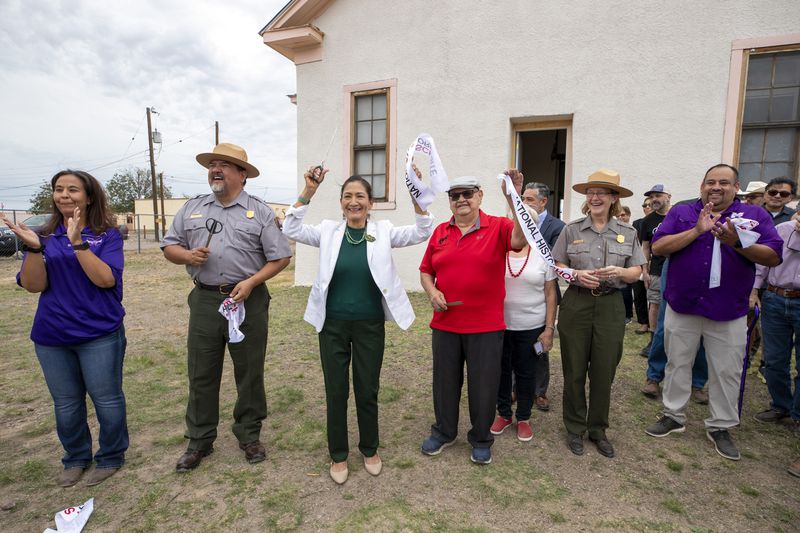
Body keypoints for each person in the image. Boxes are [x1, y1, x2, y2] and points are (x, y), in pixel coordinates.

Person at [282, 166, 433, 484]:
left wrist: (416, 193)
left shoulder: (385, 231)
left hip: (369, 326)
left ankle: (369, 449)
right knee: (336, 391)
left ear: (370, 203)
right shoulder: (327, 231)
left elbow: (421, 231)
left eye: (360, 196)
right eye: (348, 196)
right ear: (341, 203)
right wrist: (308, 190)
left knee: (367, 390)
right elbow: (291, 229)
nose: (354, 201)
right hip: (332, 325)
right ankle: (338, 455)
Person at [162, 143, 292, 471]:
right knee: (201, 371)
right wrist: (187, 256)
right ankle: (199, 440)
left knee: (249, 371)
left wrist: (251, 282)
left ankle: (249, 435)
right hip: (206, 299)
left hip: (247, 299)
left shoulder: (259, 211)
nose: (215, 170)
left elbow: (280, 257)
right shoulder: (192, 208)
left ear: (242, 174)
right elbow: (169, 246)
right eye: (212, 165)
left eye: (224, 165)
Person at [645, 164, 782, 461]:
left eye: (723, 182)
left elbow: (773, 256)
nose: (716, 187)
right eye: (710, 182)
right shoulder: (682, 212)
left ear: (736, 187)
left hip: (728, 308)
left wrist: (736, 242)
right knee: (677, 362)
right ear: (702, 186)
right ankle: (673, 415)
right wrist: (696, 231)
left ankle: (720, 426)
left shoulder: (754, 216)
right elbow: (659, 246)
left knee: (726, 370)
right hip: (684, 305)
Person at [2, 170, 128, 487]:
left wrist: (77, 244)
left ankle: (111, 456)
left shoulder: (107, 234)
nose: (64, 195)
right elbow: (34, 285)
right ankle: (75, 458)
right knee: (67, 403)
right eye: (59, 189)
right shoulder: (44, 235)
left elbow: (106, 279)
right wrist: (33, 249)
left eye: (73, 189)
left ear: (88, 196)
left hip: (99, 333)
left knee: (107, 399)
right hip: (52, 336)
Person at [419, 172, 525, 465]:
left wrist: (513, 198)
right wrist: (431, 291)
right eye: (455, 196)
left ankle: (480, 438)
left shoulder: (499, 226)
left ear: (479, 196)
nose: (461, 200)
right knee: (444, 383)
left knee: (483, 385)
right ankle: (444, 432)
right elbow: (426, 269)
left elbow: (520, 239)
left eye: (467, 194)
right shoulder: (440, 231)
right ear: (450, 202)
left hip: (485, 326)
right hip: (446, 324)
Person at [552, 169, 645, 458]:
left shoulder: (628, 232)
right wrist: (576, 274)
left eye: (601, 192)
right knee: (574, 368)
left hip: (611, 305)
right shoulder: (572, 230)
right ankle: (575, 427)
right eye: (591, 192)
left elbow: (637, 272)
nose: (595, 197)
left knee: (604, 370)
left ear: (614, 198)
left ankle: (597, 429)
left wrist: (621, 271)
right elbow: (557, 265)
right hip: (577, 304)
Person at [491, 205, 557, 440]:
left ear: (535, 225)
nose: (522, 225)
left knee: (527, 373)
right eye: (517, 220)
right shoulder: (499, 251)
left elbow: (551, 294)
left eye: (527, 220)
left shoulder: (543, 255)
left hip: (531, 327)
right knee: (501, 372)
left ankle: (524, 417)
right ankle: (504, 414)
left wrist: (549, 329)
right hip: (500, 325)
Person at [752, 217, 800, 432]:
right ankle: (781, 405)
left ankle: (797, 414)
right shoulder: (782, 229)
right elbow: (762, 263)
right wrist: (753, 291)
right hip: (775, 298)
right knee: (774, 359)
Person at [520, 181, 564, 410]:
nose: (524, 203)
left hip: (544, 290)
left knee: (539, 345)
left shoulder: (558, 227)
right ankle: (517, 388)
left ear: (543, 201)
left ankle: (539, 391)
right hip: (520, 290)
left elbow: (556, 260)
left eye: (529, 199)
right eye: (523, 199)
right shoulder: (517, 222)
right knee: (515, 347)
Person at [638, 185, 671, 357]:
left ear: (668, 197)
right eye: (652, 197)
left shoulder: (677, 216)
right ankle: (653, 340)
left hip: (678, 268)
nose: (654, 199)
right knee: (655, 304)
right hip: (656, 270)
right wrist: (645, 269)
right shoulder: (647, 221)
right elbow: (645, 247)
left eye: (658, 195)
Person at [631, 198, 652, 334]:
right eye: (645, 205)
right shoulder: (637, 223)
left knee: (654, 297)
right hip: (638, 263)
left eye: (650, 205)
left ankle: (653, 324)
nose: (647, 207)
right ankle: (644, 322)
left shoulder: (665, 221)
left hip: (656, 264)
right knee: (639, 294)